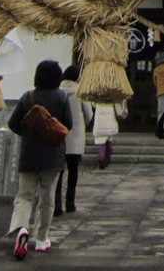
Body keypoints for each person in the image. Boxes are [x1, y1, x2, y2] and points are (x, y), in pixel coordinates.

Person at [7, 59, 73, 258]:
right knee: (47, 198)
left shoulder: (28, 97)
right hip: (53, 155)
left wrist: (27, 134)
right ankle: (42, 238)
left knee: (24, 196)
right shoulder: (62, 97)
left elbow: (12, 123)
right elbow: (68, 124)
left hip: (29, 155)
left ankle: (22, 229)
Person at [54, 63, 93, 216]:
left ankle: (56, 204)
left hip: (58, 138)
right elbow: (89, 115)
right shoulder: (81, 92)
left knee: (58, 172)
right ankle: (70, 202)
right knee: (73, 171)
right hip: (76, 138)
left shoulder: (57, 91)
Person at [91, 97, 128, 169]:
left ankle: (101, 159)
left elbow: (93, 104)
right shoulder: (113, 93)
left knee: (100, 140)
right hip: (110, 115)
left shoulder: (97, 92)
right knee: (109, 138)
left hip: (99, 116)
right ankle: (107, 159)